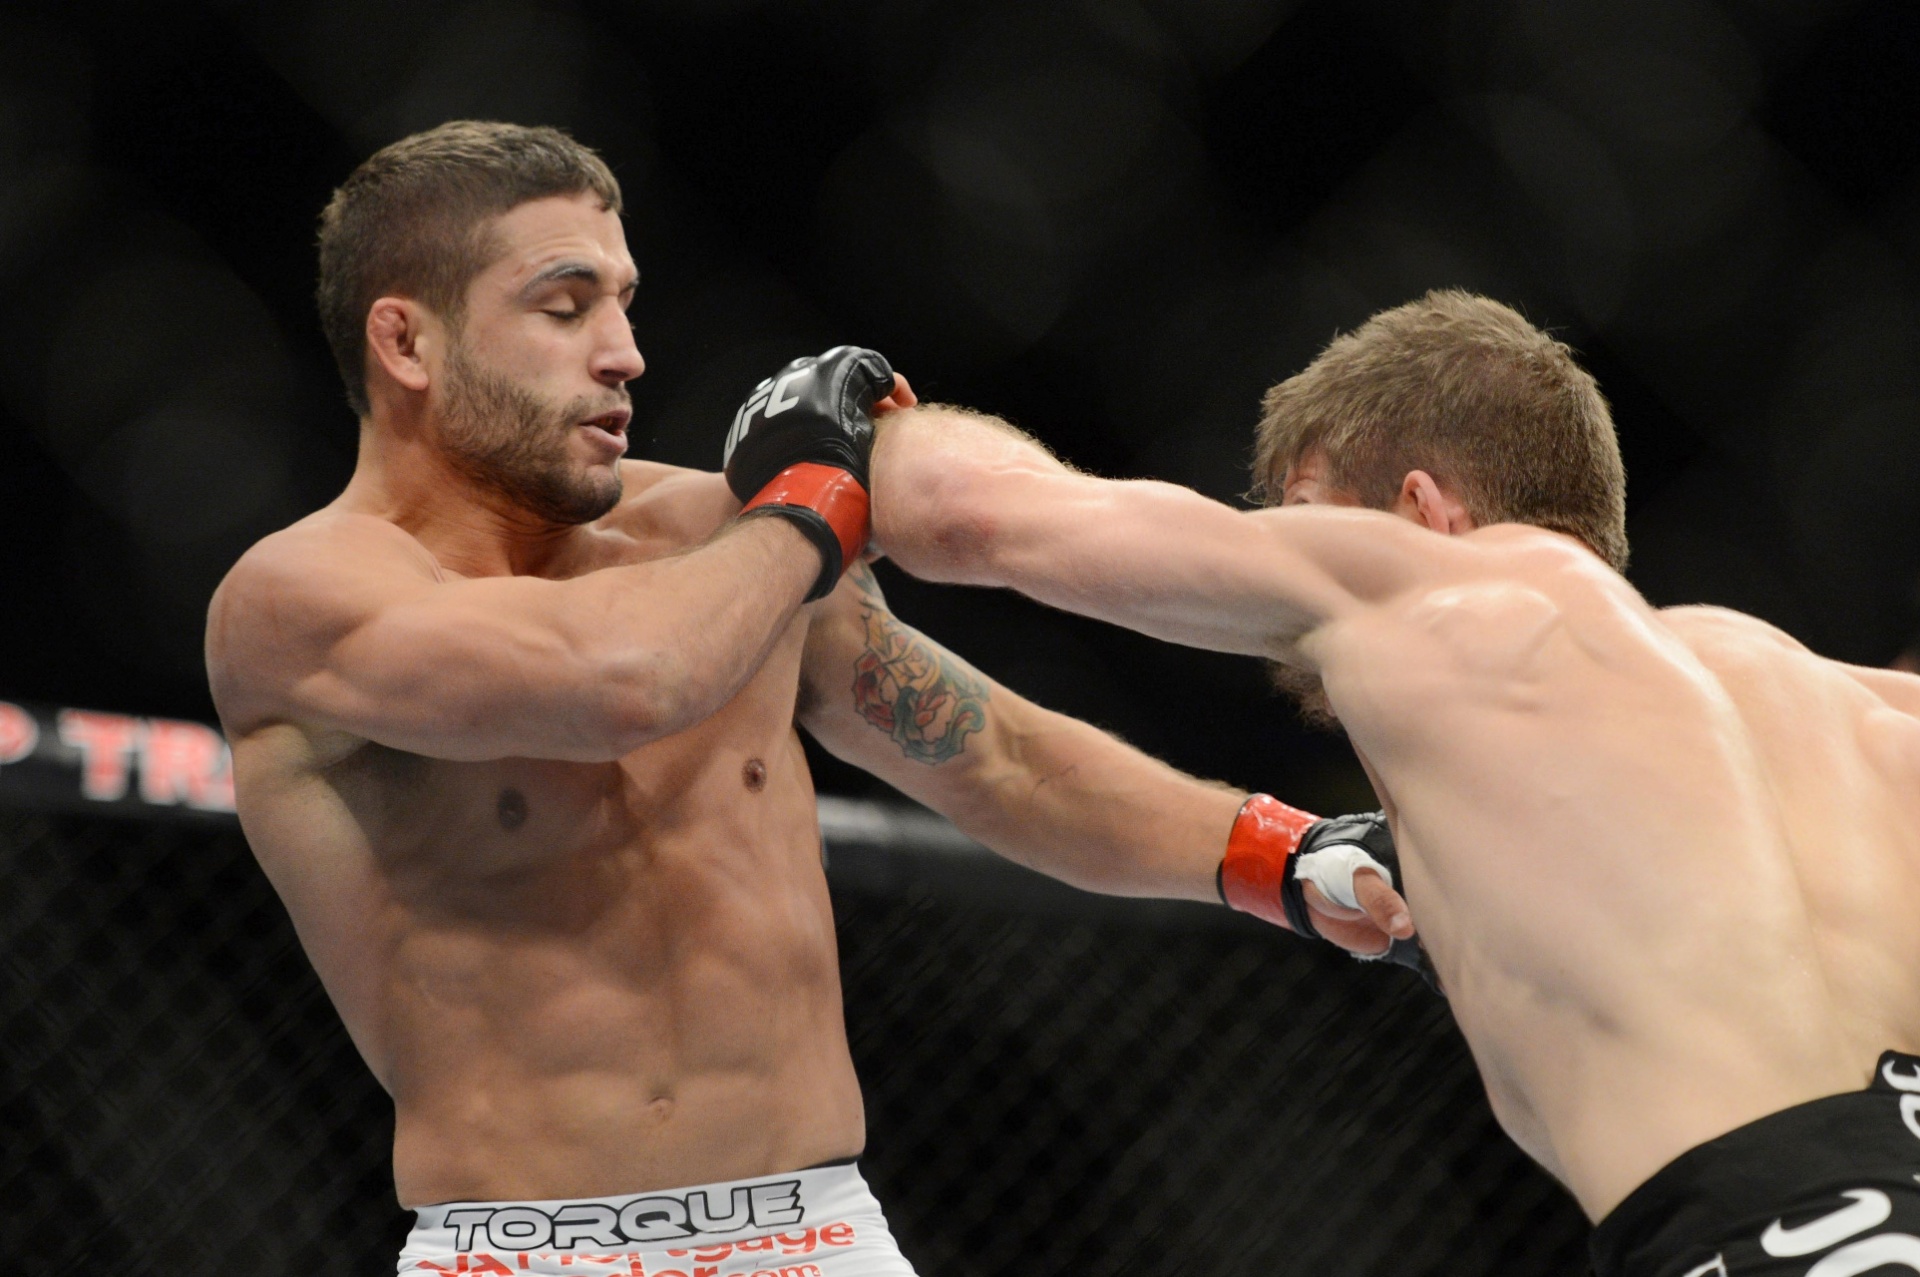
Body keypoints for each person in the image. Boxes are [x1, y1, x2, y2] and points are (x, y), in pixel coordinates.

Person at [203, 121, 1409, 1277]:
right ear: (406, 345)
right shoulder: (298, 599)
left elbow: (995, 757)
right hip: (520, 1237)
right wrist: (813, 503)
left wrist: (1284, 855)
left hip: (816, 1227)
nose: (624, 352)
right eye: (565, 307)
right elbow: (624, 681)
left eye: (626, 302)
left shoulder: (719, 542)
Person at [865, 289, 1920, 1277]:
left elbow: (965, 510)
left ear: (1420, 510)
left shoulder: (1446, 591)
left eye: (1307, 512)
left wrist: (855, 413)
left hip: (1773, 1231)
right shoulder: (1849, 705)